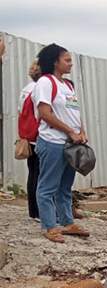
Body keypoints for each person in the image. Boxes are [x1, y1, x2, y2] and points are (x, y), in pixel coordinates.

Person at [32, 44, 90, 243]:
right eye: (66, 59)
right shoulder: (45, 83)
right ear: (55, 62)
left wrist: (81, 131)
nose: (70, 63)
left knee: (65, 186)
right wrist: (70, 131)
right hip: (52, 141)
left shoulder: (68, 85)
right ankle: (49, 226)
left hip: (70, 144)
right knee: (48, 186)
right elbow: (45, 114)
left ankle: (67, 222)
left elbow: (74, 112)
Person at [19, 59, 42, 220]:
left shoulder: (26, 89)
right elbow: (39, 114)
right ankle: (40, 211)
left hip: (27, 137)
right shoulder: (38, 90)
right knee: (41, 175)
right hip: (38, 136)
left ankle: (33, 211)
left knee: (33, 173)